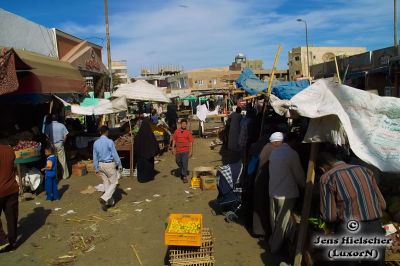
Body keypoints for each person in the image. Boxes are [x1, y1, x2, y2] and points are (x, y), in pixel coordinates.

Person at [317, 152, 386, 266]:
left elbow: (329, 216)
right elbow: (382, 204)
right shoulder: (366, 171)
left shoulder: (327, 177)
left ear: (323, 168)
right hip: (375, 229)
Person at [268, 133, 305, 253]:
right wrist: (304, 186)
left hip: (273, 190)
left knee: (275, 220)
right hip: (286, 193)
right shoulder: (292, 154)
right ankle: (275, 248)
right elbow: (298, 174)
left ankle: (273, 242)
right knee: (282, 223)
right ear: (293, 142)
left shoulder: (274, 152)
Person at [252, 132, 284, 237]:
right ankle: (262, 231)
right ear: (276, 142)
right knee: (263, 206)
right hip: (264, 179)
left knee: (260, 205)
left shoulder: (267, 146)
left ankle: (259, 230)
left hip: (261, 178)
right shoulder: (272, 149)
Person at [93, 126, 122, 211]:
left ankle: (109, 202)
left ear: (100, 132)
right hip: (109, 164)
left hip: (100, 164)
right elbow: (114, 154)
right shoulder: (110, 141)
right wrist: (119, 164)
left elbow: (94, 156)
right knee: (114, 182)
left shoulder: (96, 143)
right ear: (107, 132)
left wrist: (96, 167)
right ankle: (104, 198)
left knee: (106, 182)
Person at [0, 140, 19, 252]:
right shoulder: (9, 149)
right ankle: (12, 242)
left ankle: (2, 240)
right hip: (11, 188)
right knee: (12, 217)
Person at [134, 118, 160, 183]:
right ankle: (149, 177)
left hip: (140, 157)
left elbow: (136, 145)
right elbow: (154, 144)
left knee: (141, 167)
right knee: (148, 166)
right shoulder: (150, 134)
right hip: (149, 155)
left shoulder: (138, 135)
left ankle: (141, 178)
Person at [45, 114, 69, 179]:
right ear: (57, 118)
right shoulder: (62, 125)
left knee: (53, 161)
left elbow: (47, 137)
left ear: (51, 119)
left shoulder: (48, 126)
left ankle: (55, 177)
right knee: (62, 160)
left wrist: (50, 144)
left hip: (52, 145)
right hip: (60, 144)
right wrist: (63, 142)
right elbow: (66, 135)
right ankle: (65, 176)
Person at [172, 119, 194, 183]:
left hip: (185, 150)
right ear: (180, 124)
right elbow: (174, 140)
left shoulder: (188, 132)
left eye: (185, 124)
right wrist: (173, 148)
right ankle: (183, 170)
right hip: (178, 150)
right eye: (183, 124)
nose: (184, 125)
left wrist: (191, 151)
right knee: (177, 161)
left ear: (186, 125)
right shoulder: (177, 131)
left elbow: (191, 142)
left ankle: (184, 176)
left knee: (184, 162)